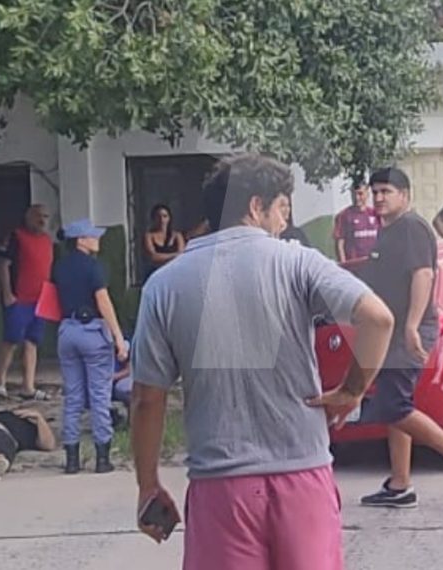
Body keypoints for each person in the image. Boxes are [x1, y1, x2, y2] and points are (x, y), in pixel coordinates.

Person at [130, 153, 394, 569]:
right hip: (303, 476)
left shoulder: (164, 285)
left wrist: (148, 486)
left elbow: (147, 398)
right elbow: (378, 318)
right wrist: (350, 392)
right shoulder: (298, 263)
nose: (284, 224)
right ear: (255, 206)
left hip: (221, 487)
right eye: (281, 210)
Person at [358, 167, 443, 509]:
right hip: (392, 329)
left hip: (408, 330)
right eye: (375, 192)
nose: (379, 198)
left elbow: (424, 274)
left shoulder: (411, 227)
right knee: (395, 405)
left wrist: (412, 325)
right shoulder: (389, 231)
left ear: (405, 195)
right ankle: (400, 485)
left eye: (386, 191)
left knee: (393, 405)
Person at [52, 219, 127, 474]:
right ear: (80, 240)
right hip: (92, 331)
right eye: (92, 236)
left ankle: (72, 459)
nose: (97, 239)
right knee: (99, 395)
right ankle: (102, 458)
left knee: (72, 396)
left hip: (67, 330)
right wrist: (117, 336)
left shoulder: (60, 267)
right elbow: (103, 302)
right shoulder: (94, 267)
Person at [0, 204, 54, 400]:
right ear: (28, 216)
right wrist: (7, 293)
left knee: (32, 341)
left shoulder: (47, 240)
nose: (42, 220)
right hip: (19, 298)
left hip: (40, 298)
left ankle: (28, 386)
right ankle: (0, 382)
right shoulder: (16, 237)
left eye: (45, 216)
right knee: (11, 340)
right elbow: (3, 264)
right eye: (38, 216)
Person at [333, 182, 379, 263]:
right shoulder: (344, 215)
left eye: (360, 194)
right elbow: (340, 244)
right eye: (353, 194)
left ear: (367, 194)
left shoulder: (376, 214)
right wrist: (344, 266)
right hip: (355, 265)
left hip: (374, 263)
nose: (357, 198)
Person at [142, 204, 186, 280]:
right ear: (153, 219)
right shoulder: (149, 236)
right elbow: (153, 257)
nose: (161, 220)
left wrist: (163, 257)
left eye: (164, 216)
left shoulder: (177, 236)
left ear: (169, 218)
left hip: (173, 272)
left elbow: (182, 255)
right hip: (155, 273)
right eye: (158, 217)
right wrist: (174, 255)